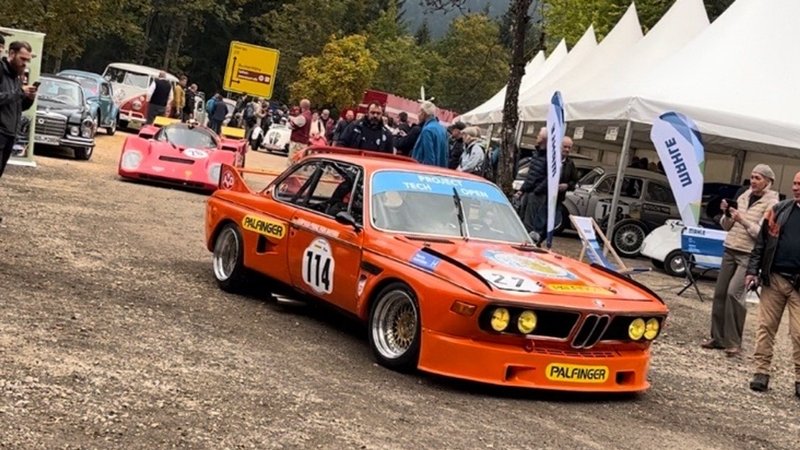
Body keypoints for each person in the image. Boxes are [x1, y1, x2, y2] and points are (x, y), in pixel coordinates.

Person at [701, 165, 780, 357]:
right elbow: (727, 226)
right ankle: (718, 338)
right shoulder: (744, 196)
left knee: (733, 294)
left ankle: (734, 342)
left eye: (758, 178)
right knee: (719, 294)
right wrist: (727, 214)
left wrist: (742, 219)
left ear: (768, 181)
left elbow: (760, 233)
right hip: (730, 248)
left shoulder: (772, 203)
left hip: (748, 254)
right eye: (752, 177)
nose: (753, 181)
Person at [745, 170, 800, 398]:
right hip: (774, 279)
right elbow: (762, 243)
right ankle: (761, 372)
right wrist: (752, 271)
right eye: (795, 183)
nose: (796, 187)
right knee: (766, 327)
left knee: (799, 334)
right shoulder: (779, 210)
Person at [1, 41, 36, 183]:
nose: (24, 63)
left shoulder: (17, 77)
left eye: (27, 60)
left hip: (10, 134)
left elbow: (18, 107)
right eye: (22, 59)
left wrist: (28, 98)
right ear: (11, 54)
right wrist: (20, 92)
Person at [518, 127, 548, 240]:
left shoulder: (548, 156)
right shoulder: (537, 153)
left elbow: (548, 178)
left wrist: (537, 190)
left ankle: (526, 241)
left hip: (537, 193)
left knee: (529, 221)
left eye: (539, 135)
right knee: (522, 216)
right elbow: (531, 175)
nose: (537, 137)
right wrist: (523, 189)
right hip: (530, 191)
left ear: (544, 139)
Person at [410, 101, 447, 167]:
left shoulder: (427, 130)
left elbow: (429, 157)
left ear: (423, 113)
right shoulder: (442, 129)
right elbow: (445, 155)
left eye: (419, 112)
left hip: (426, 171)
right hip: (440, 170)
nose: (418, 114)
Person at [288, 98, 312, 165]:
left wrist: (290, 120)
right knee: (299, 161)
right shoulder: (309, 116)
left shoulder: (302, 117)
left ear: (301, 106)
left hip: (297, 142)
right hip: (304, 142)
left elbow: (290, 126)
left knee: (292, 161)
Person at [558, 137, 580, 209]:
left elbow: (575, 180)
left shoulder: (570, 163)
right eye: (565, 147)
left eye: (569, 148)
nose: (567, 149)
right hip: (543, 197)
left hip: (558, 200)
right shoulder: (549, 160)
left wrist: (567, 185)